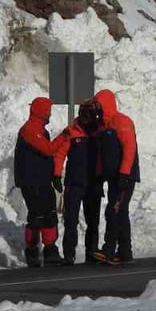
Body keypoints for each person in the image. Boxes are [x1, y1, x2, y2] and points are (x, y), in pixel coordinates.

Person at [14, 97, 70, 267]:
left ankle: (50, 250)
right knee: (37, 215)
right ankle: (32, 252)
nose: (50, 114)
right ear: (42, 112)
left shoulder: (40, 130)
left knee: (50, 214)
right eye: (48, 111)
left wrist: (54, 175)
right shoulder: (30, 130)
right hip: (31, 181)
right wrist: (65, 135)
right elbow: (48, 150)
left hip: (42, 180)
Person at [90, 89, 139, 265]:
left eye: (98, 106)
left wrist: (124, 173)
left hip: (124, 177)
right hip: (113, 178)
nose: (96, 110)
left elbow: (129, 148)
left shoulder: (122, 122)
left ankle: (109, 249)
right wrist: (99, 175)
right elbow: (104, 155)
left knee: (114, 211)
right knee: (119, 212)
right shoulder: (104, 126)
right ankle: (125, 252)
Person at [55, 99, 103, 265]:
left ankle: (92, 252)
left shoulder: (100, 132)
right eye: (85, 114)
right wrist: (56, 175)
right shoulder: (71, 131)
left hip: (94, 184)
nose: (88, 118)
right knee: (70, 221)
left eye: (91, 114)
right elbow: (60, 153)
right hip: (74, 183)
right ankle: (69, 254)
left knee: (93, 221)